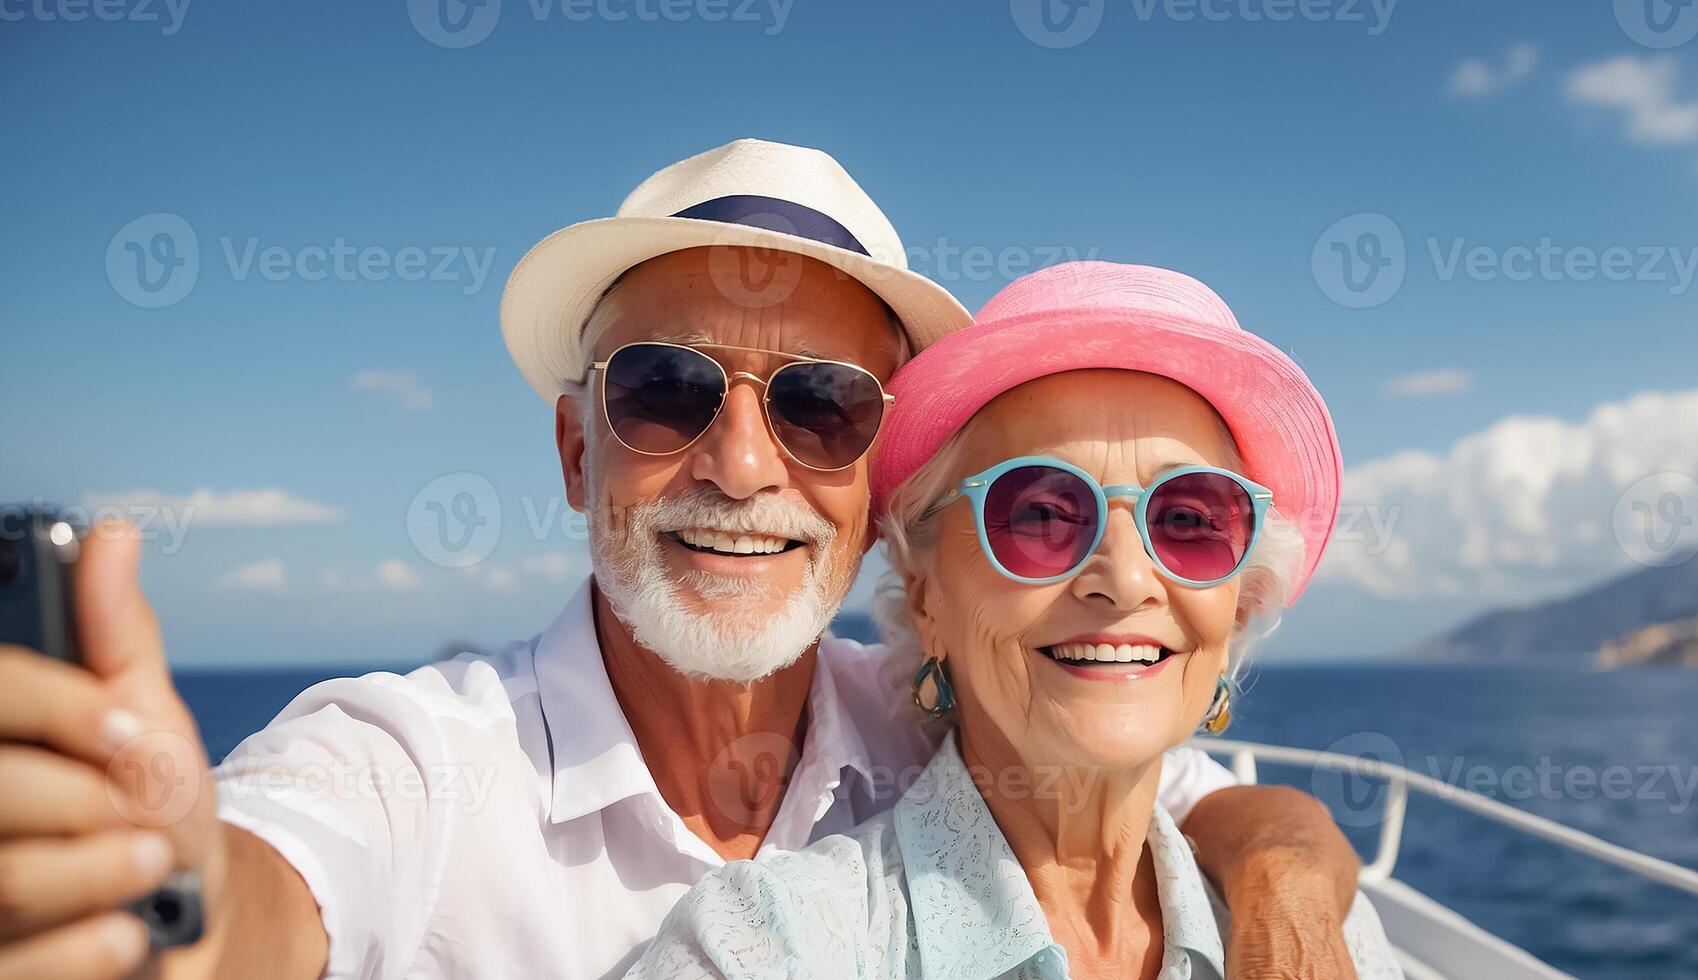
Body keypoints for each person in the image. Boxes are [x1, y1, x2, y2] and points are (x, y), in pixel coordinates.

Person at [0, 141, 1366, 980]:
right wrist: (162, 903)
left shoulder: (956, 710)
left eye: (819, 406)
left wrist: (1288, 889)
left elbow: (1194, 799)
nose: (742, 464)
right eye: (666, 392)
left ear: (880, 495)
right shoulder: (414, 757)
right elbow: (270, 888)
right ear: (575, 452)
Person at [627, 261, 1402, 980]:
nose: (1125, 579)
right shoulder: (764, 946)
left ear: (1239, 605)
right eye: (1038, 512)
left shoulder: (1329, 938)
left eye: (1190, 519)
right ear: (926, 596)